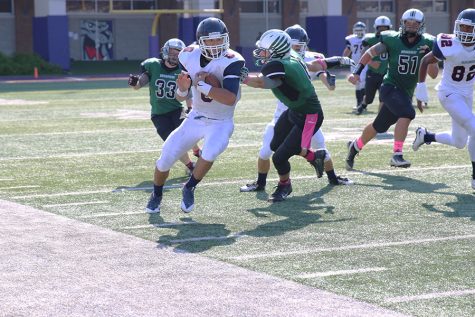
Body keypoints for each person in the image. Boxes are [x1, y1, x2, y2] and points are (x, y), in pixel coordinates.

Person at [145, 17, 245, 213]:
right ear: (200, 41)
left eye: (219, 40)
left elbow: (230, 99)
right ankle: (156, 193)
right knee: (165, 157)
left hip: (221, 121)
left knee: (210, 151)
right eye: (210, 41)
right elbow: (181, 95)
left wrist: (201, 85)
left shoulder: (233, 60)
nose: (215, 45)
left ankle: (189, 187)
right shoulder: (188, 55)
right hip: (197, 116)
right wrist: (183, 89)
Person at [242, 29, 355, 202]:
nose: (261, 53)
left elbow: (260, 82)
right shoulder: (290, 54)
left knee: (279, 157)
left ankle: (285, 185)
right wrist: (337, 61)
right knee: (275, 144)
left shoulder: (279, 65)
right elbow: (316, 65)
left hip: (309, 115)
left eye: (265, 50)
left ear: (277, 49)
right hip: (294, 110)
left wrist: (241, 77)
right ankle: (314, 157)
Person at [346, 8, 438, 170]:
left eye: (414, 23)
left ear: (421, 25)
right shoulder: (392, 39)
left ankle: (354, 147)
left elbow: (434, 74)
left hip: (405, 92)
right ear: (402, 23)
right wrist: (357, 73)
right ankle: (397, 154)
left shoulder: (428, 43)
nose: (410, 26)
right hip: (390, 87)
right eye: (407, 23)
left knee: (379, 126)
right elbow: (369, 53)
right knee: (408, 113)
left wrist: (429, 57)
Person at [412, 8, 475, 190]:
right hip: (449, 94)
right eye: (461, 27)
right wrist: (421, 88)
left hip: (466, 94)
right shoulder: (450, 44)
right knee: (474, 127)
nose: (463, 31)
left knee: (459, 141)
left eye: (468, 28)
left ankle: (426, 136)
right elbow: (425, 61)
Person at [128, 38, 200, 176]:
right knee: (173, 142)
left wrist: (190, 108)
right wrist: (134, 83)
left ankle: (197, 151)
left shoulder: (182, 70)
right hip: (159, 114)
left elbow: (188, 94)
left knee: (186, 132)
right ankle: (191, 166)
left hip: (177, 108)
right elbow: (138, 85)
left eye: (178, 52)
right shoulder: (153, 65)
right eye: (172, 52)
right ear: (166, 51)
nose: (174, 55)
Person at [355, 16, 392, 115]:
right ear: (376, 28)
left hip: (386, 74)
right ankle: (362, 105)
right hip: (372, 73)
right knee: (369, 98)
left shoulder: (393, 40)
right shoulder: (370, 39)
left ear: (389, 28)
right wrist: (371, 62)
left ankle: (380, 118)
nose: (383, 30)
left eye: (385, 28)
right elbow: (362, 54)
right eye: (380, 28)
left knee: (383, 97)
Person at [343, 21, 367, 111]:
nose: (359, 32)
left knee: (362, 83)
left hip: (365, 63)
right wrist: (343, 59)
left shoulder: (367, 38)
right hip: (354, 63)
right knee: (357, 84)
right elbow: (348, 50)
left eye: (361, 30)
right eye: (357, 30)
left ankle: (362, 104)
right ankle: (359, 104)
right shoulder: (351, 39)